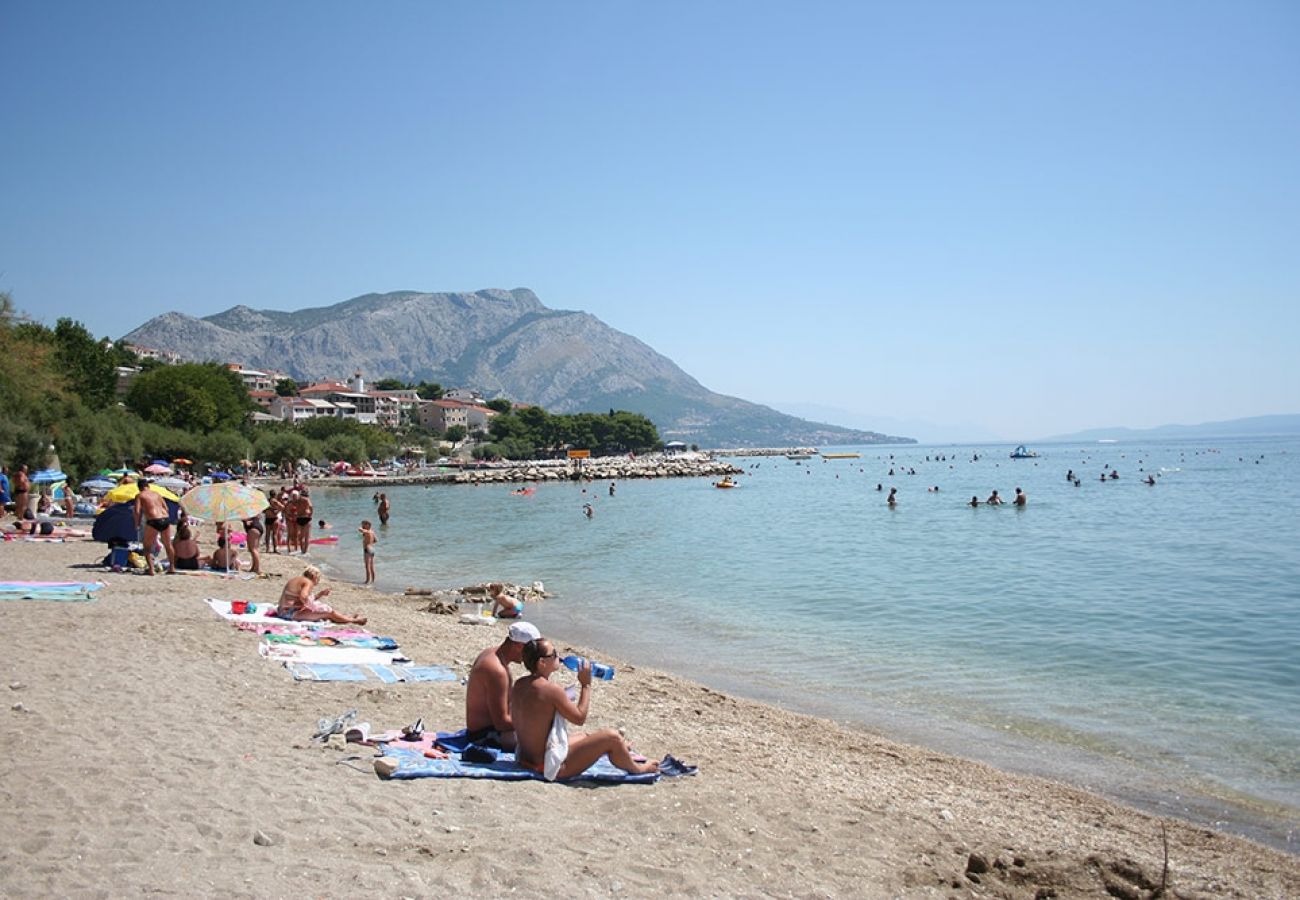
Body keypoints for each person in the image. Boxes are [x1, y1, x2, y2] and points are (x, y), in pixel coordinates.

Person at [511, 637, 659, 779]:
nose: (559, 657)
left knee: (584, 737)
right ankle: (638, 768)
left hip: (525, 759)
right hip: (547, 766)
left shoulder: (520, 684)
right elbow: (580, 718)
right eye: (554, 654)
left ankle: (617, 749)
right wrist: (585, 685)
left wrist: (562, 699)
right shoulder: (551, 690)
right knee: (612, 737)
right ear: (542, 662)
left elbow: (541, 709)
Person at [464, 621, 540, 750]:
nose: (531, 656)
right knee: (542, 741)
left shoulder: (492, 653)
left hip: (488, 729)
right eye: (530, 651)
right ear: (518, 646)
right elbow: (501, 723)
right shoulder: (496, 670)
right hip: (483, 736)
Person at [276, 565, 366, 625]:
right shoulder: (308, 582)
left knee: (326, 613)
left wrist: (320, 594)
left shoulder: (298, 579)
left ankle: (347, 618)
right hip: (289, 613)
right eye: (318, 580)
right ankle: (353, 620)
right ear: (315, 577)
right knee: (329, 613)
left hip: (282, 610)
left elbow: (302, 598)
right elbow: (303, 597)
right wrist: (314, 608)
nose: (317, 583)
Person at [133, 479, 175, 574]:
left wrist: (137, 524)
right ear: (148, 486)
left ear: (139, 488)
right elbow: (166, 508)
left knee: (147, 546)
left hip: (153, 520)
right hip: (165, 519)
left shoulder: (140, 495)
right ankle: (172, 567)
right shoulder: (157, 494)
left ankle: (151, 570)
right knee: (168, 545)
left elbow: (137, 511)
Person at [359, 519, 377, 585]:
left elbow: (360, 530)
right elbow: (376, 540)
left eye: (363, 524)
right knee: (372, 566)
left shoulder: (367, 531)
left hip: (367, 549)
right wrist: (369, 541)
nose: (362, 526)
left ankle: (367, 581)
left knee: (367, 566)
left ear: (367, 525)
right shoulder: (372, 532)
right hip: (372, 549)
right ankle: (373, 580)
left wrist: (361, 528)